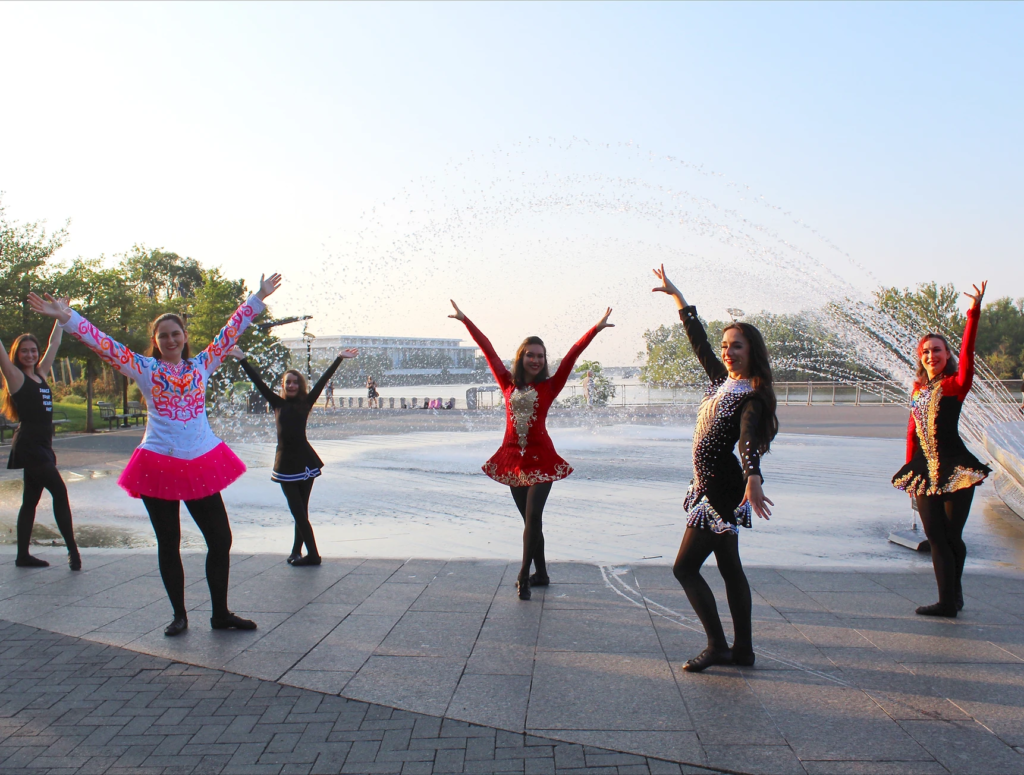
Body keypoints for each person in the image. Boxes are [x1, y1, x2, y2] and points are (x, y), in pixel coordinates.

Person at [28, 274, 281, 637]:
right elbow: (105, 344)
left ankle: (220, 613)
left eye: (176, 333)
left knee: (220, 538)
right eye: (163, 335)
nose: (171, 340)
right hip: (159, 462)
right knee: (169, 541)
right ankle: (179, 615)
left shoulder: (202, 365)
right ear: (156, 342)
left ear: (185, 337)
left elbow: (231, 330)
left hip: (201, 460)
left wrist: (258, 297)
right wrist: (67, 317)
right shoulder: (145, 369)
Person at [652, 265, 778, 672]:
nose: (727, 351)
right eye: (726, 345)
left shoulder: (752, 396)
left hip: (719, 489)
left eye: (736, 346)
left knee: (684, 567)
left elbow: (747, 438)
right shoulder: (721, 382)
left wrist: (753, 475)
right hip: (711, 485)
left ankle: (718, 645)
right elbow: (698, 342)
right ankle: (743, 650)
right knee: (729, 567)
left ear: (751, 351)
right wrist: (678, 298)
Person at [449, 299, 614, 600]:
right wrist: (464, 320)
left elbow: (573, 355)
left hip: (542, 460)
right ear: (521, 357)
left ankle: (524, 574)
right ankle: (543, 573)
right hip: (512, 460)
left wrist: (596, 329)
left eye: (540, 356)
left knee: (534, 518)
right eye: (530, 355)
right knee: (529, 523)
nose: (536, 360)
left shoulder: (550, 386)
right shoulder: (507, 382)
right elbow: (486, 349)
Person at [892, 282, 991, 617]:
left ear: (946, 356)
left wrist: (973, 314)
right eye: (925, 351)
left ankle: (950, 599)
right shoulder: (918, 390)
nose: (930, 355)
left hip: (955, 468)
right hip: (923, 470)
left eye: (937, 350)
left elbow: (968, 356)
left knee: (951, 537)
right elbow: (911, 434)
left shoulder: (955, 385)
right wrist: (908, 474)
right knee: (936, 536)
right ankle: (950, 598)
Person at [229, 345, 358, 566]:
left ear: (300, 386)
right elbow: (258, 383)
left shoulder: (305, 403)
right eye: (288, 382)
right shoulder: (277, 403)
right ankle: (296, 552)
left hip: (305, 462)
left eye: (295, 382)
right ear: (283, 386)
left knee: (301, 513)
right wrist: (242, 360)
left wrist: (338, 359)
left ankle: (313, 555)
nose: (291, 385)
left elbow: (322, 382)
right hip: (286, 465)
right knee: (299, 512)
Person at [1, 310, 81, 570]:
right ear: (17, 353)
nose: (30, 355)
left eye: (33, 350)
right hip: (29, 446)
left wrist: (61, 315)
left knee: (30, 501)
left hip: (43, 447)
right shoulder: (15, 377)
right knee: (59, 490)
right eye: (24, 351)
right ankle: (73, 551)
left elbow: (55, 343)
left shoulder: (41, 374)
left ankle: (22, 556)